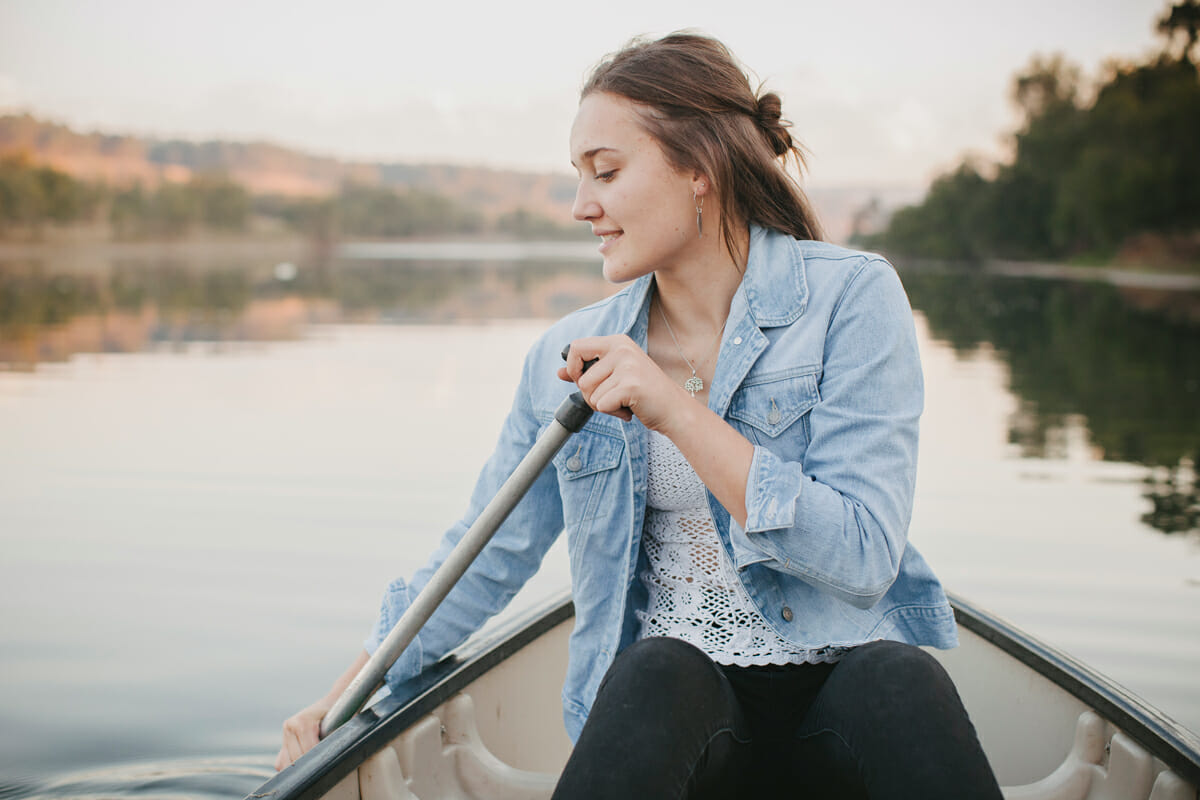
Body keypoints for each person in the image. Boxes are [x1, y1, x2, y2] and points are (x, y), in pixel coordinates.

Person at [277, 32, 1003, 799]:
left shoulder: (852, 298)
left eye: (607, 172)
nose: (581, 206)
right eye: (578, 178)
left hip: (845, 700)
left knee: (900, 676)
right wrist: (341, 699)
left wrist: (675, 412)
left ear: (701, 169)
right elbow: (484, 554)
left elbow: (864, 557)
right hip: (680, 718)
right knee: (655, 666)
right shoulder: (571, 354)